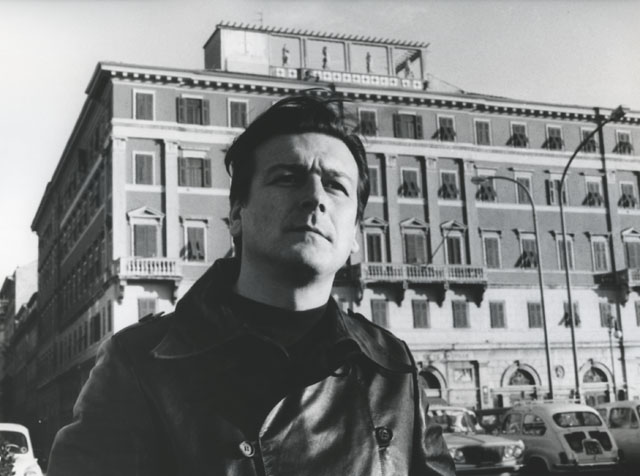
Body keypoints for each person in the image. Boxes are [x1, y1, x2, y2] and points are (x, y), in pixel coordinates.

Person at [47, 93, 455, 476]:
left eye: (336, 185)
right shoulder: (138, 363)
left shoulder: (392, 368)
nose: (316, 197)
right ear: (236, 215)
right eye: (288, 178)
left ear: (356, 236)